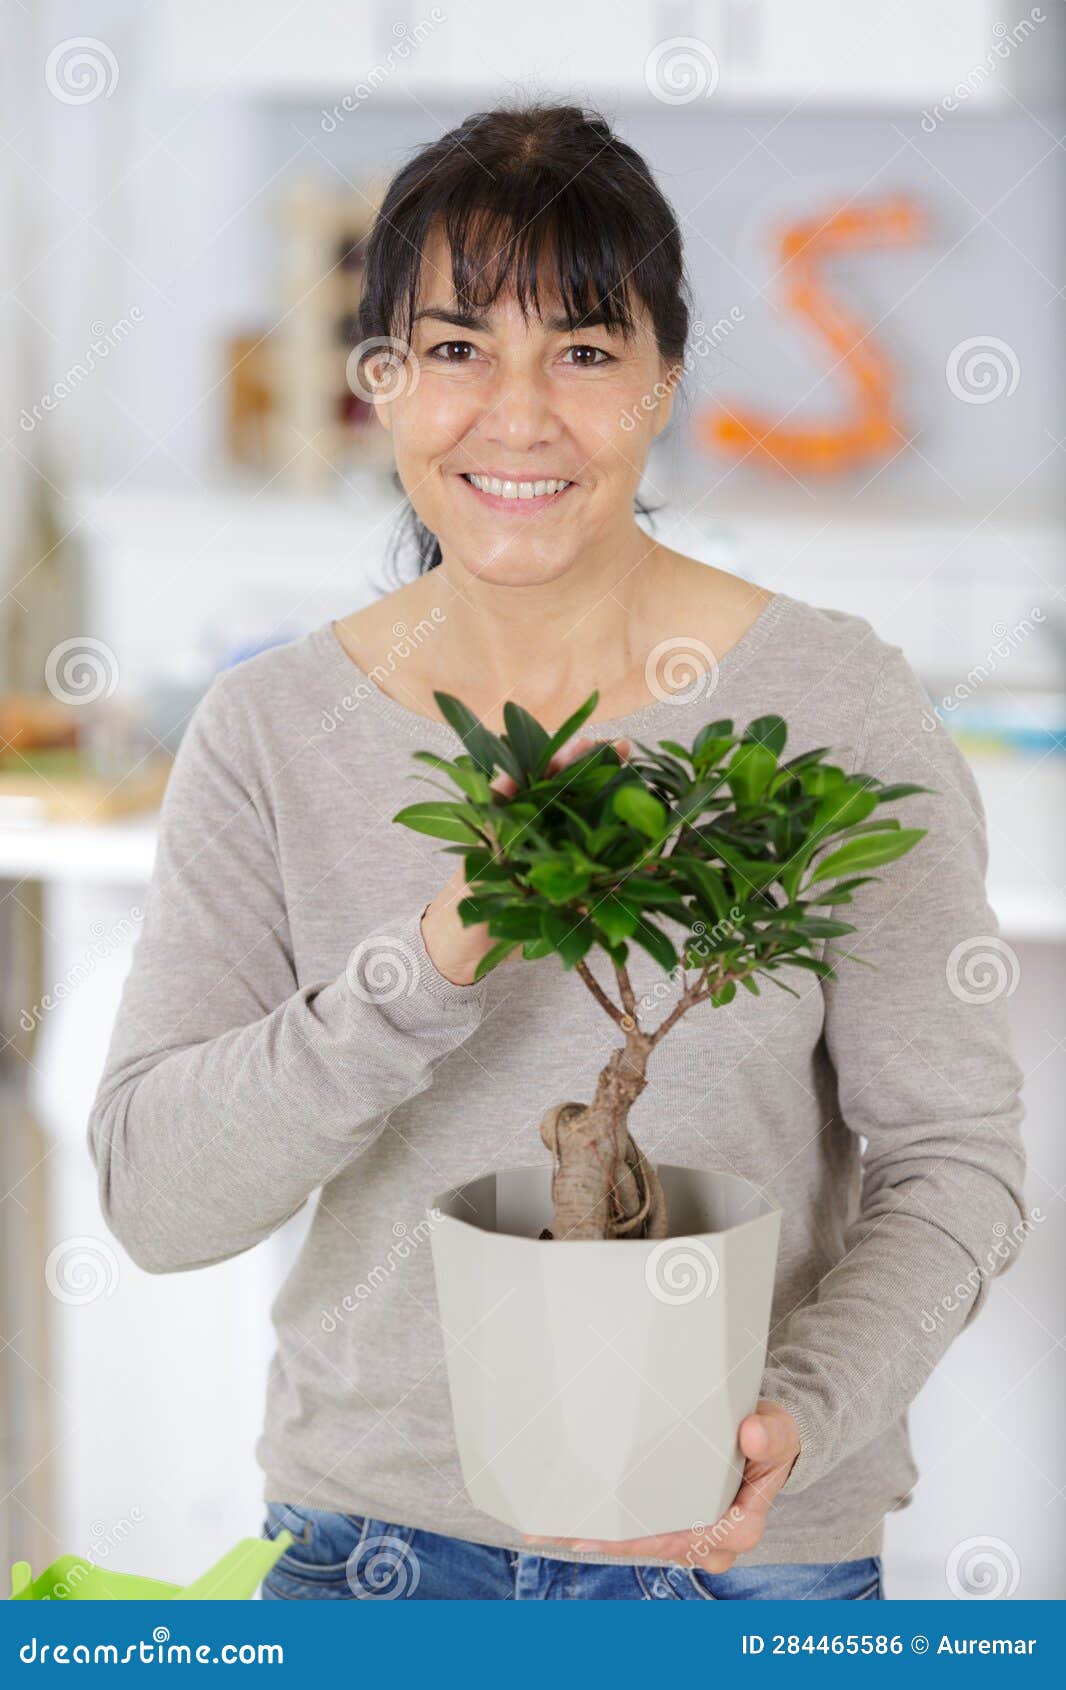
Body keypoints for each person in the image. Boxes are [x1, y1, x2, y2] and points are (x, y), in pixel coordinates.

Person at [88, 101, 1026, 1601]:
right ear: (380, 385)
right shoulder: (269, 729)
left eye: (583, 351)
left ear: (662, 381)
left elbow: (955, 1165)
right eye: (455, 348)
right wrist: (433, 952)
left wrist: (798, 1410)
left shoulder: (833, 702)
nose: (516, 417)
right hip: (372, 1553)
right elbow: (157, 1199)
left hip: (744, 1560)